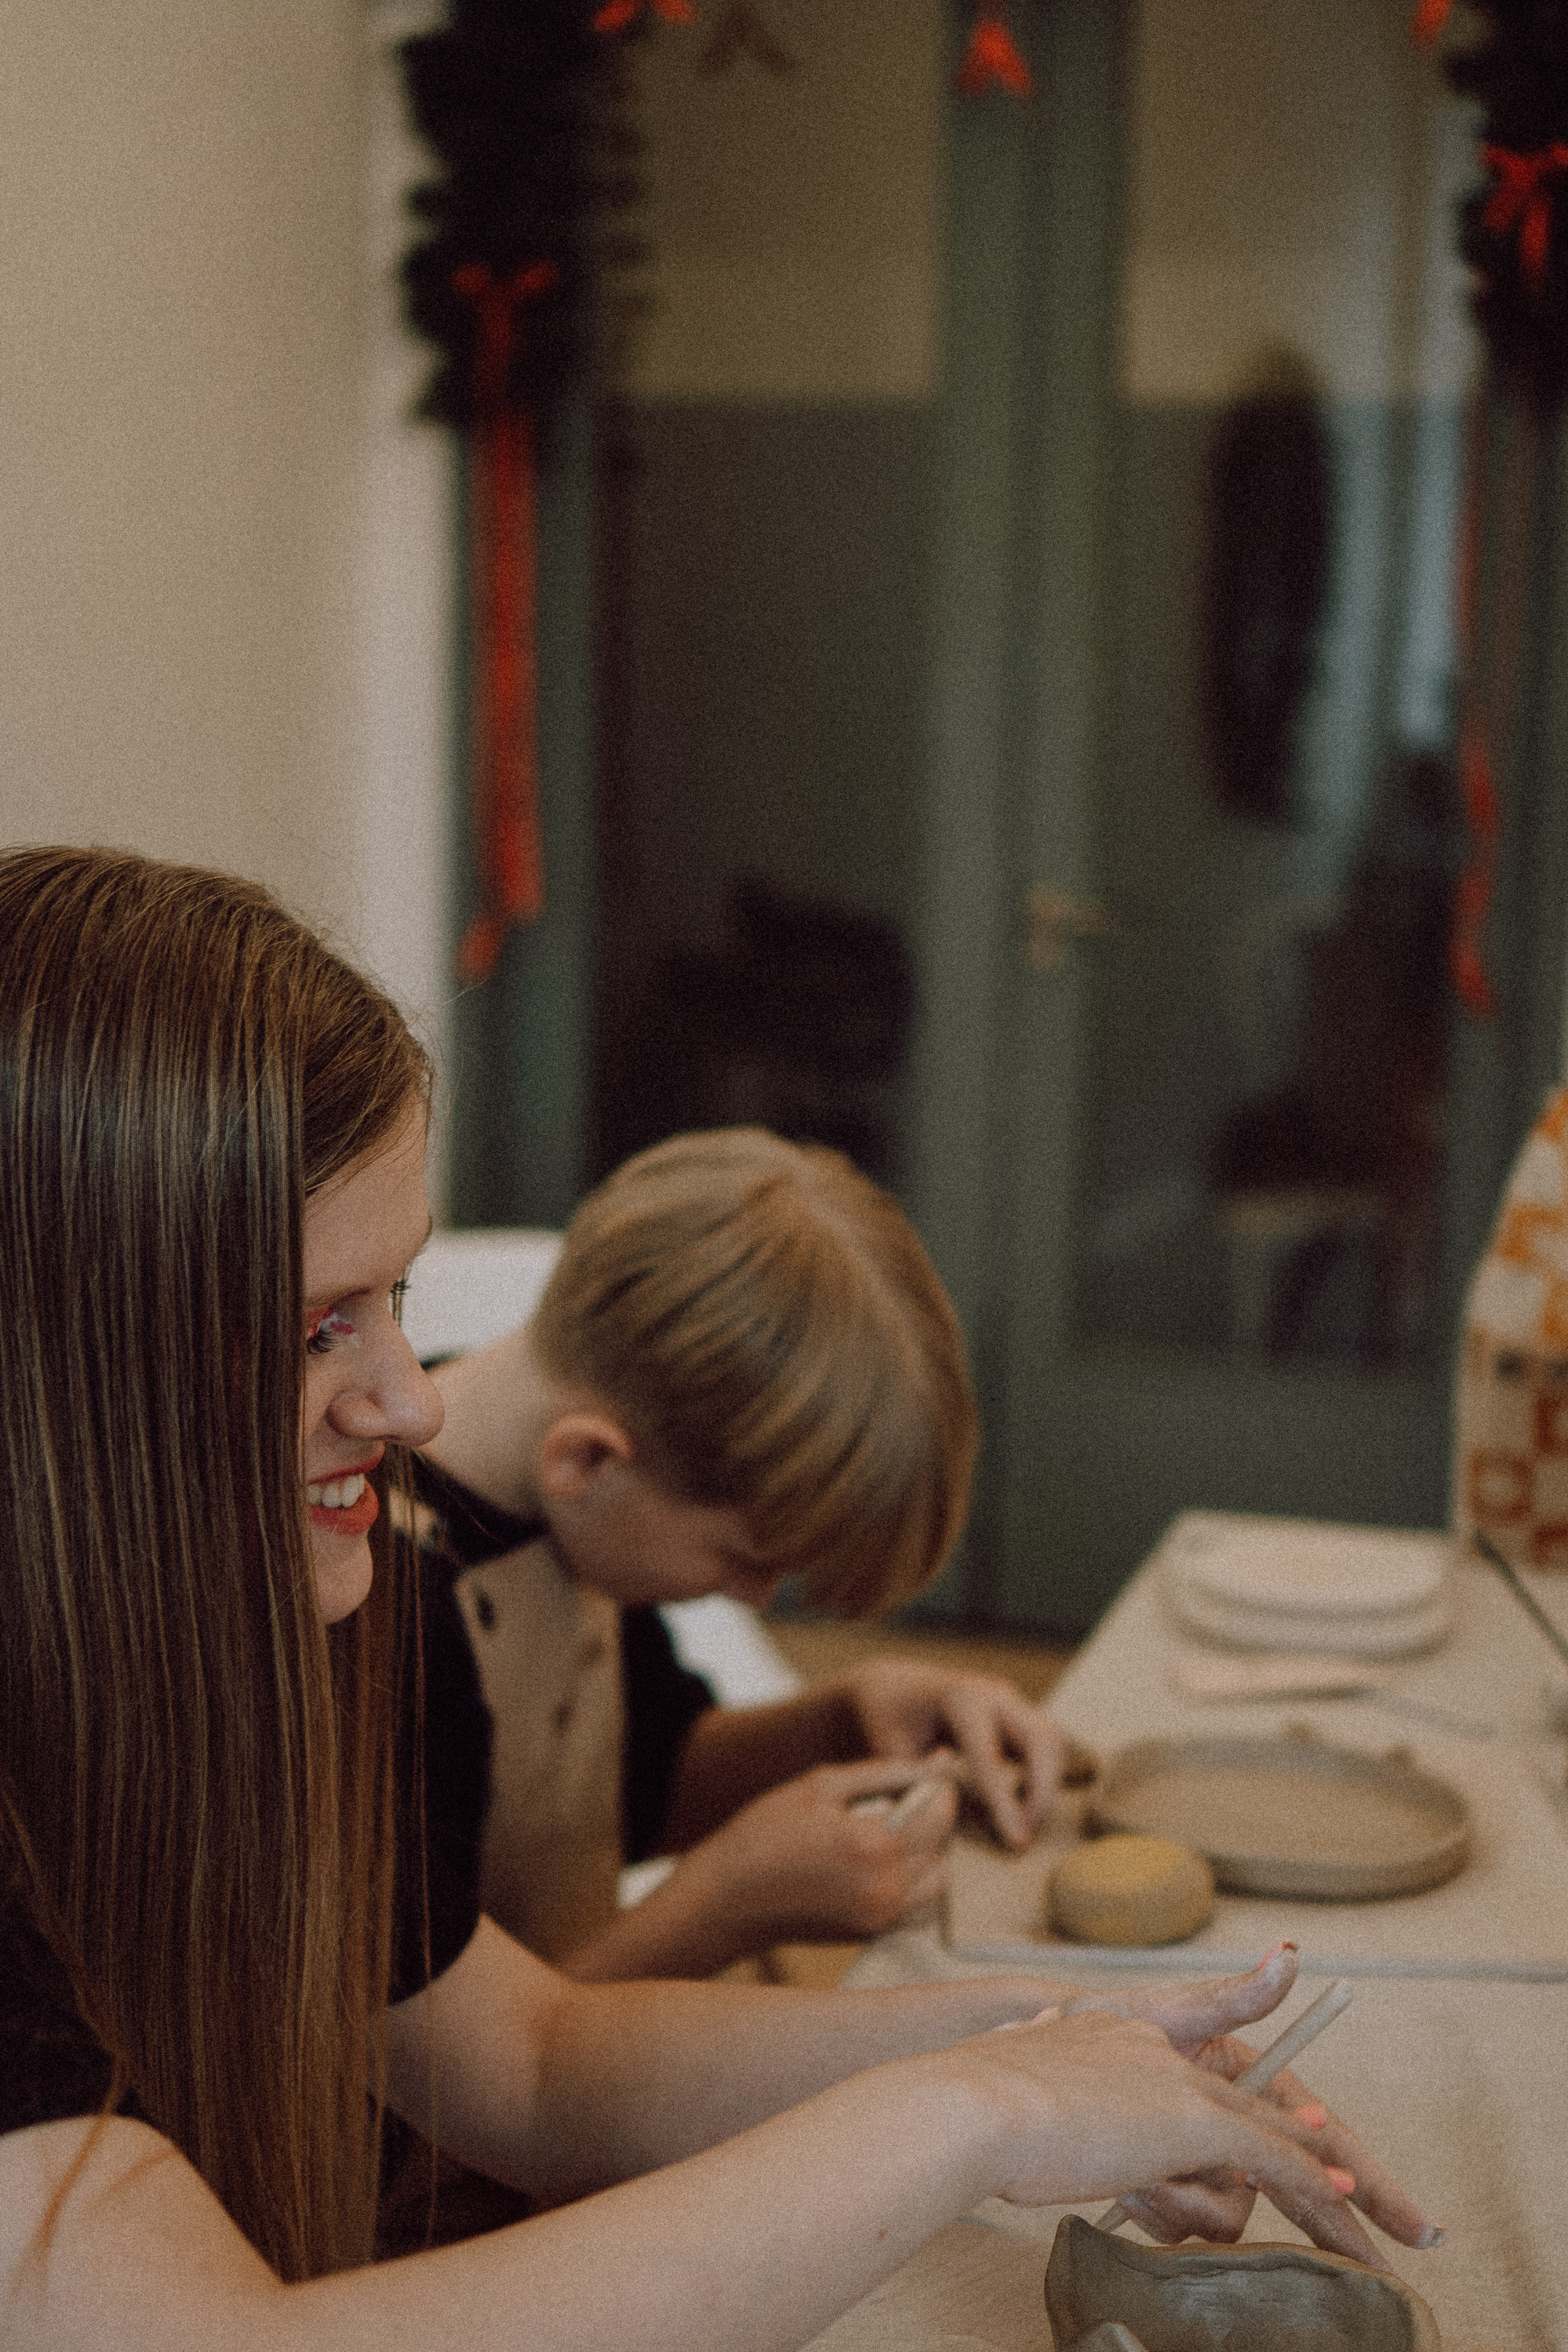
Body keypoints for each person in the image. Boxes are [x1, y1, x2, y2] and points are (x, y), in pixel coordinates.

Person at [0, 847, 1438, 2351]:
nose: (409, 1407)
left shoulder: (272, 1645)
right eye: (315, 1330)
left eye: (398, 1303)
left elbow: (534, 2060)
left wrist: (1048, 2041)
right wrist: (975, 2112)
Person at [414, 1127, 1068, 1980]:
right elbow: (458, 2083)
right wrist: (724, 1906)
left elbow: (643, 1784)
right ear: (587, 1460)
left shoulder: (580, 1509)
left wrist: (848, 1720)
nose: (757, 1599)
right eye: (741, 1558)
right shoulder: (385, 1607)